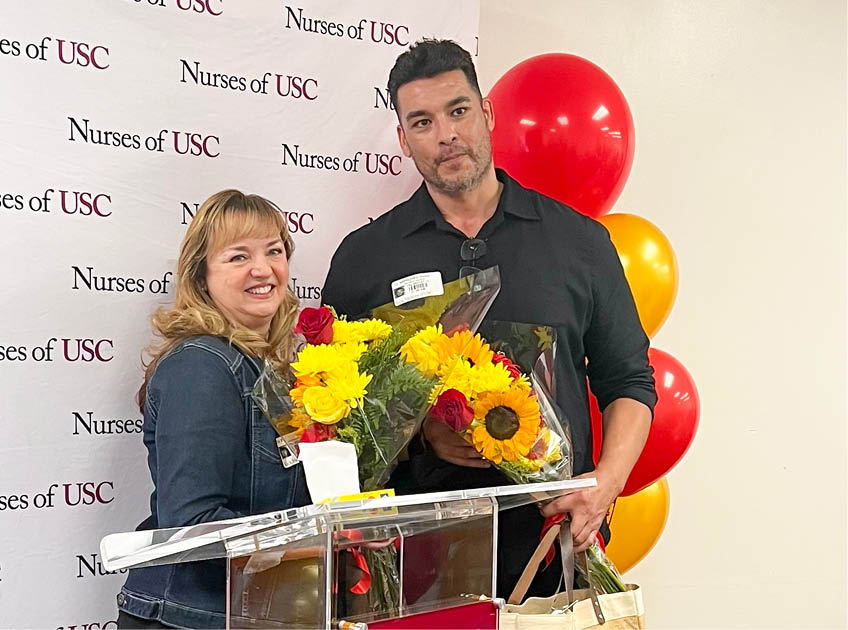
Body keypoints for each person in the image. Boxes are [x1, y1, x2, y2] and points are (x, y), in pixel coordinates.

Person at [322, 40, 657, 599]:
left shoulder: (578, 242)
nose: (446, 134)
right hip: (413, 561)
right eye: (423, 122)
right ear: (404, 140)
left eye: (458, 111)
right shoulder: (364, 258)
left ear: (487, 114)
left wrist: (604, 485)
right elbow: (338, 422)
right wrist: (420, 431)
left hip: (556, 544)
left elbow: (630, 383)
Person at [117, 190, 310, 629]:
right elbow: (194, 526)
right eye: (238, 256)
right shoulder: (202, 366)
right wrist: (324, 540)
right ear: (202, 276)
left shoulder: (272, 369)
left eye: (274, 251)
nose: (263, 269)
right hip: (189, 617)